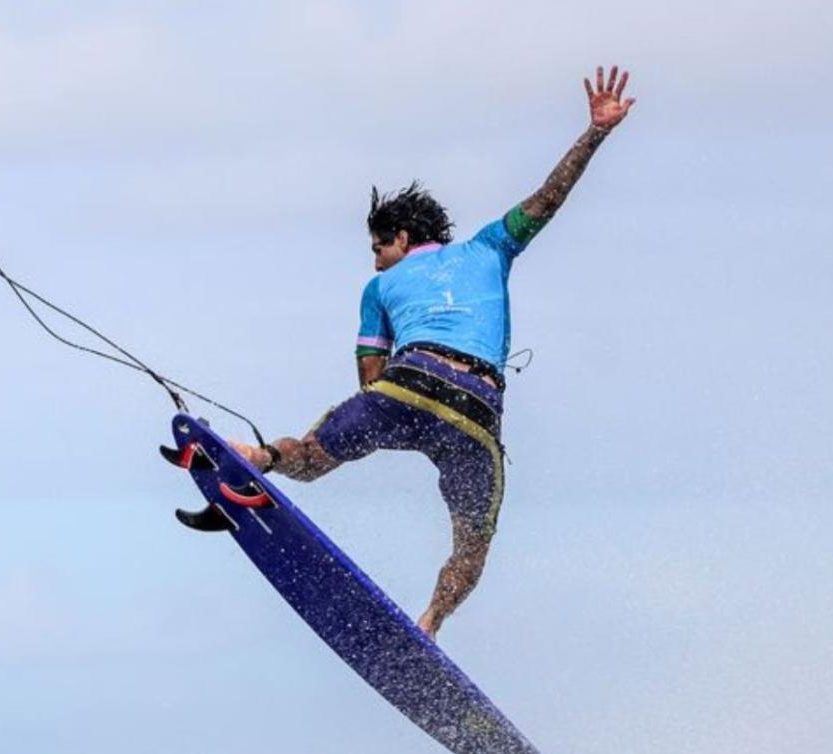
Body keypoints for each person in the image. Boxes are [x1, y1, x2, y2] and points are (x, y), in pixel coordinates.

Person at [231, 65, 636, 640]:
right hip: (475, 414)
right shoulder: (492, 246)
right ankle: (430, 623)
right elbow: (549, 198)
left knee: (314, 457)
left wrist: (364, 432)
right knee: (473, 543)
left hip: (408, 385)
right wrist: (596, 133)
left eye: (379, 248)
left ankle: (259, 457)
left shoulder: (378, 289)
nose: (374, 262)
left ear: (402, 239)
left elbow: (372, 381)